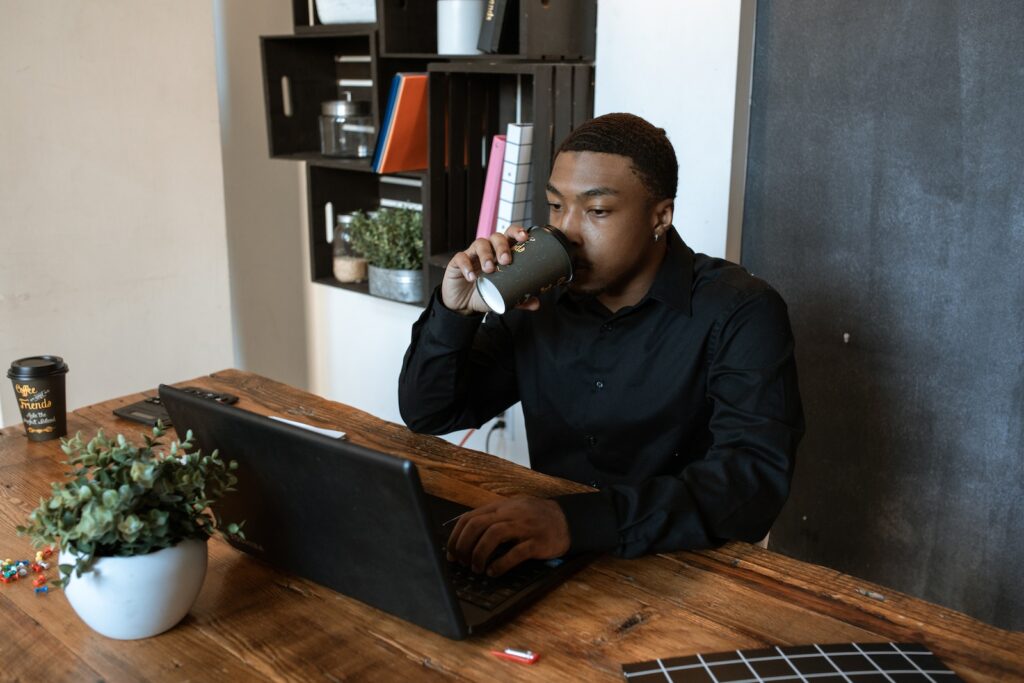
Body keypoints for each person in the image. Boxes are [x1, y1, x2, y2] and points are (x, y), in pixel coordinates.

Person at [398, 112, 804, 578]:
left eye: (596, 211)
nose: (567, 231)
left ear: (660, 216)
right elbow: (428, 412)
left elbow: (751, 485)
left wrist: (577, 521)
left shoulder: (740, 311)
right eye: (555, 206)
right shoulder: (541, 301)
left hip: (684, 570)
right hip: (552, 559)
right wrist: (457, 313)